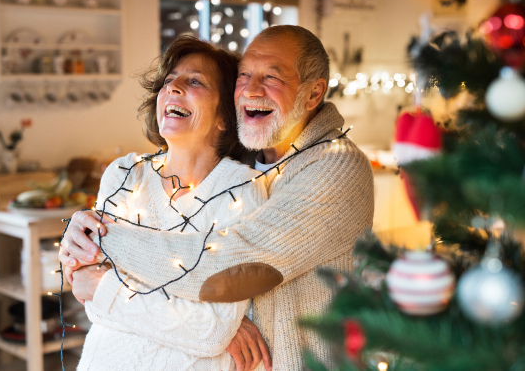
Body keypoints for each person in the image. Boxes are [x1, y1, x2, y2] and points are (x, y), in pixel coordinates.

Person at [62, 25, 374, 370]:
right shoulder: (243, 158)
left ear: (313, 94)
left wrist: (100, 240)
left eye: (272, 76)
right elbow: (86, 283)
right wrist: (223, 325)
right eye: (244, 75)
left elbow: (235, 265)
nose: (252, 89)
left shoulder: (334, 165)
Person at [74, 36, 271, 371]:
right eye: (168, 81)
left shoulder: (240, 191)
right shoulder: (125, 174)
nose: (173, 88)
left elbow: (210, 332)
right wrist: (186, 312)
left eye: (194, 81)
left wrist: (107, 289)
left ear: (225, 116)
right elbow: (87, 294)